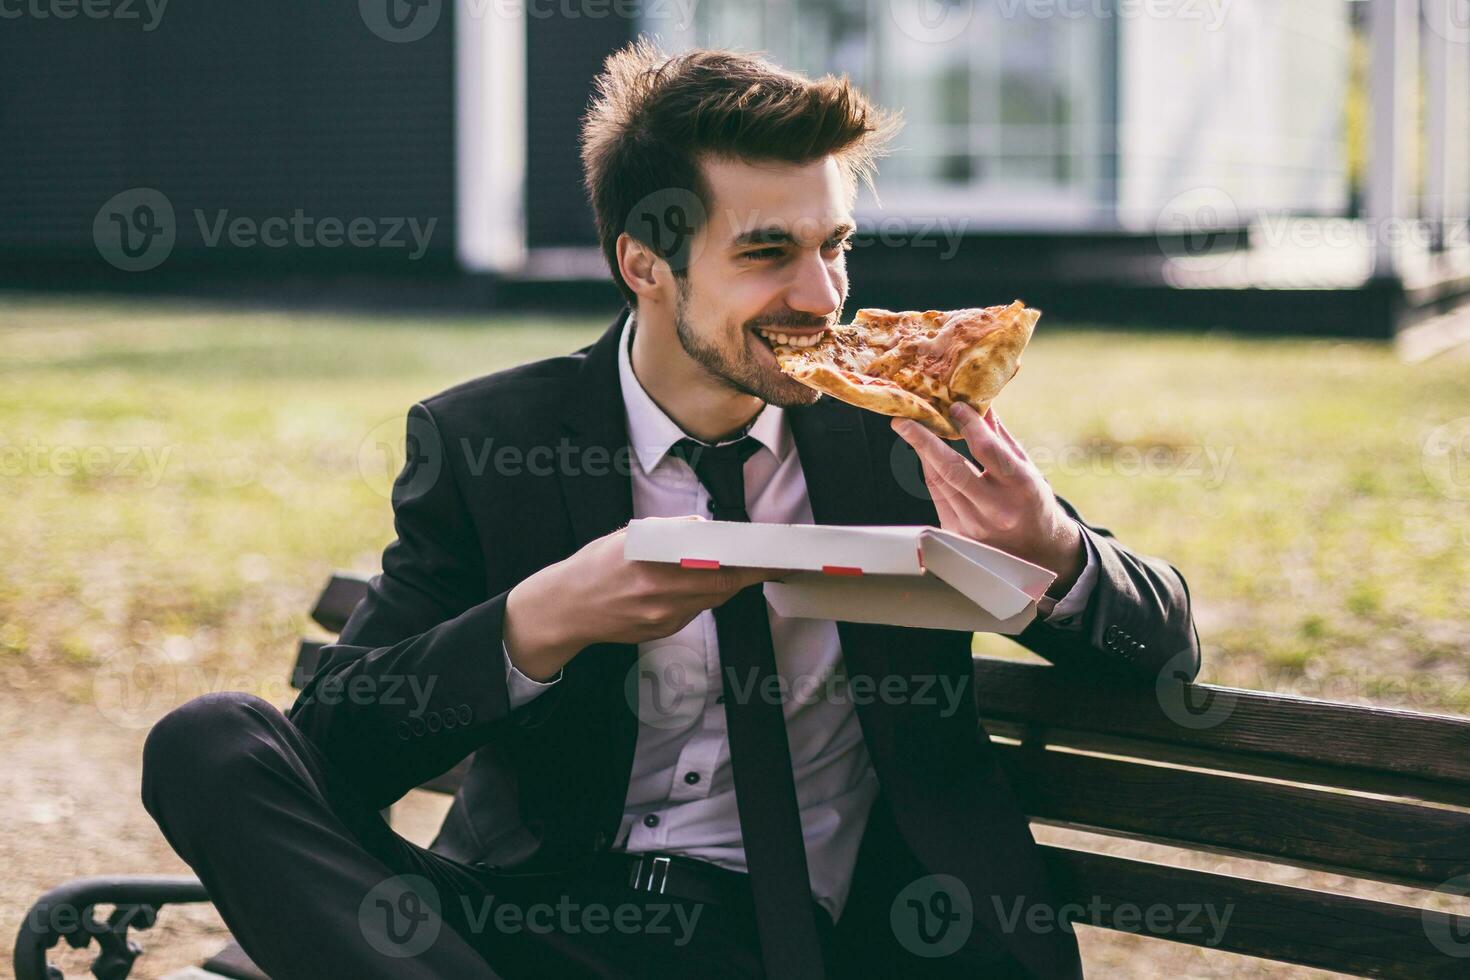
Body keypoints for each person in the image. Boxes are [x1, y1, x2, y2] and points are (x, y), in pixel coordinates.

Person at [142, 39, 1200, 979]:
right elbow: (335, 751)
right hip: (535, 926)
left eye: (834, 243)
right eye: (767, 252)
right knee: (207, 741)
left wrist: (1049, 549)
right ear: (645, 264)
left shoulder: (902, 430)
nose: (824, 295)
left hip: (823, 941)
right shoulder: (489, 442)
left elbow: (1166, 645)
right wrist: (541, 619)